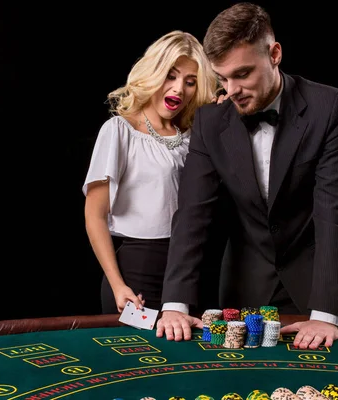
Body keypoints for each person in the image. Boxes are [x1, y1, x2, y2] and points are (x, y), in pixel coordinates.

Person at [156, 2, 338, 350]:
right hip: (243, 283)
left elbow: (335, 212)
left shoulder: (330, 107)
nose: (231, 90)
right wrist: (175, 304)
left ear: (275, 54)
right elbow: (192, 213)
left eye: (243, 74)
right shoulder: (210, 121)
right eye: (222, 78)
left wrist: (326, 313)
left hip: (313, 285)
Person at [82, 30, 218, 314]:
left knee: (186, 358)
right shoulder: (119, 131)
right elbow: (94, 215)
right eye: (171, 75)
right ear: (153, 73)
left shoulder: (196, 138)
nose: (179, 88)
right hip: (137, 272)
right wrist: (118, 285)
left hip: (189, 270)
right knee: (139, 357)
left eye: (190, 82)